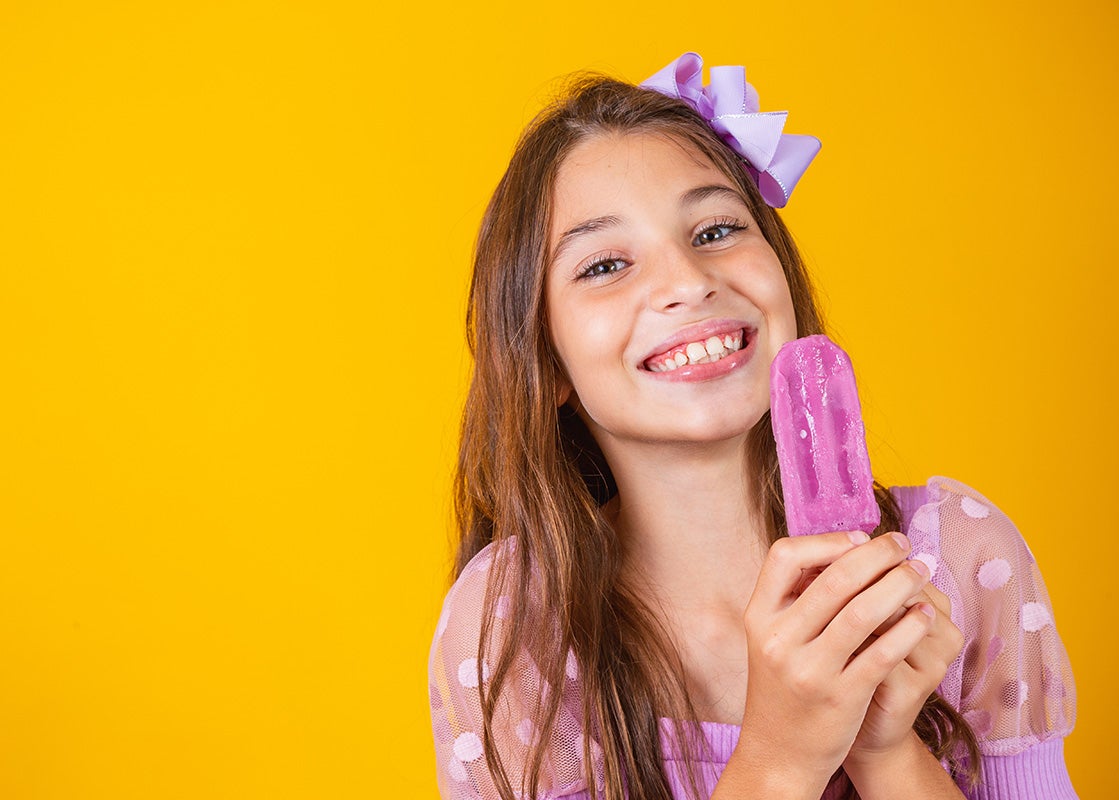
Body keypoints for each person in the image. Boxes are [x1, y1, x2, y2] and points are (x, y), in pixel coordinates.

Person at [427, 53, 1077, 800]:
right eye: (605, 264)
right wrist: (783, 757)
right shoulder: (515, 627)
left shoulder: (961, 558)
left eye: (715, 230)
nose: (687, 281)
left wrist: (886, 747)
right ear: (547, 364)